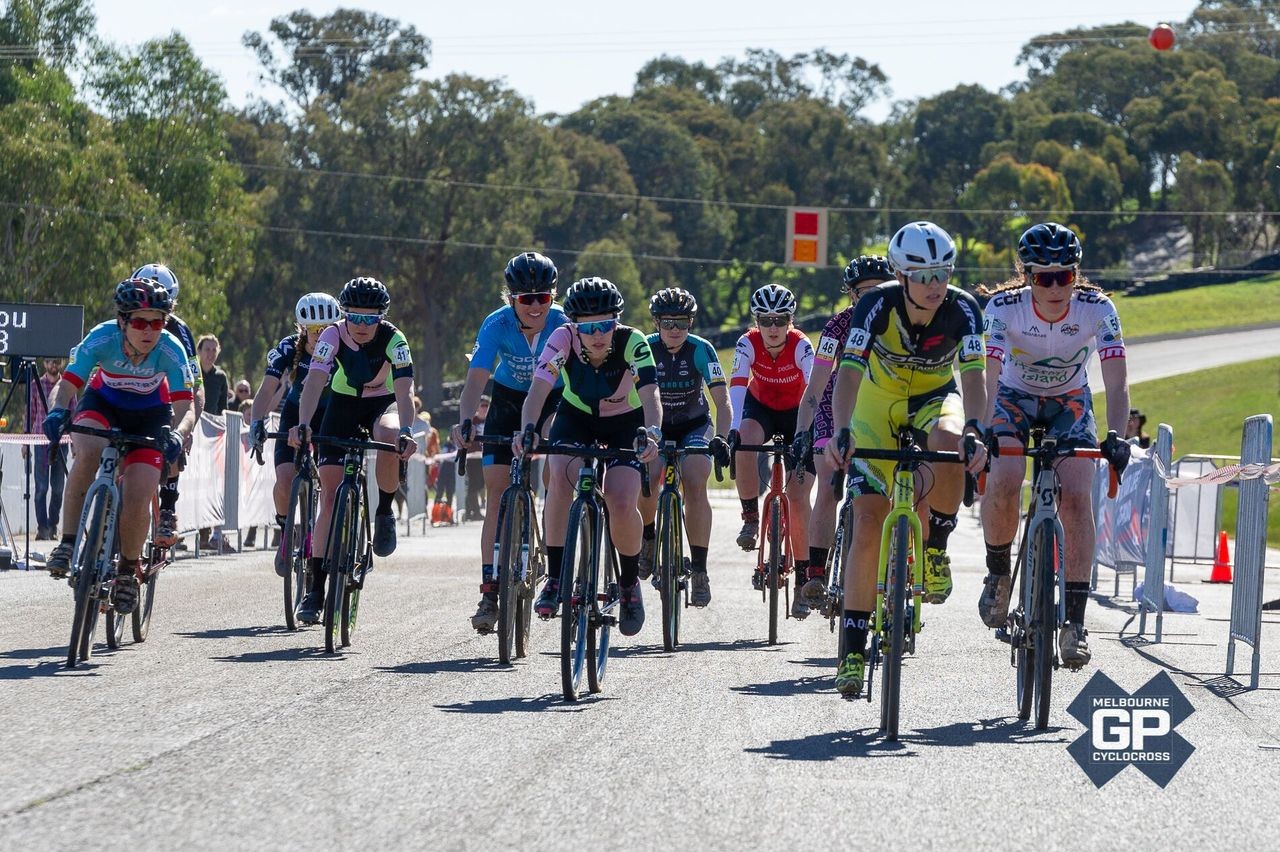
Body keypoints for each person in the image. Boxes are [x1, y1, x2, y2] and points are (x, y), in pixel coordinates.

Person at [825, 221, 988, 697]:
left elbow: (975, 379)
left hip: (936, 398)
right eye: (923, 276)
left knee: (951, 440)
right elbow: (849, 376)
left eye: (942, 273)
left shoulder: (963, 309)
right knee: (869, 520)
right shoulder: (876, 305)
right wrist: (842, 430)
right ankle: (852, 649)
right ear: (900, 274)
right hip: (877, 404)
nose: (935, 285)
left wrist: (976, 430)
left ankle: (936, 546)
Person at [977, 222, 1131, 670]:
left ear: (1076, 274)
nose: (1056, 286)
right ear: (1027, 277)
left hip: (1069, 401)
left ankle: (1076, 623)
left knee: (1078, 499)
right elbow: (987, 375)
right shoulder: (1003, 307)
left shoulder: (1097, 307)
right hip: (1012, 398)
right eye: (1044, 277)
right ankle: (1000, 572)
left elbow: (1118, 382)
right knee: (1005, 479)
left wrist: (1116, 436)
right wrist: (984, 427)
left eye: (1065, 275)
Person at [515, 277, 661, 638]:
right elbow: (538, 390)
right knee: (560, 482)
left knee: (622, 500)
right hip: (576, 418)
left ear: (617, 322)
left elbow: (650, 394)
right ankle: (555, 577)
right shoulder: (561, 338)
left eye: (606, 325)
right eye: (589, 328)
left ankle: (628, 585)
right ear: (574, 327)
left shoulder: (633, 341)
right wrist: (528, 428)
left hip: (625, 423)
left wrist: (653, 432)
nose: (598, 335)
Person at [42, 279, 195, 613]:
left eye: (157, 322)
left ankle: (126, 572)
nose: (149, 330)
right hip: (104, 403)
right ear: (123, 321)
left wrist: (178, 434)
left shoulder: (170, 348)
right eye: (140, 321)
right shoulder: (101, 337)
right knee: (88, 451)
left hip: (150, 414)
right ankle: (67, 543)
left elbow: (186, 406)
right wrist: (57, 410)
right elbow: (67, 385)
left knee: (139, 493)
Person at [451, 251, 569, 634]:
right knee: (498, 496)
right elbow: (475, 380)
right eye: (526, 299)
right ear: (511, 298)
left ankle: (554, 538)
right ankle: (489, 590)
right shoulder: (496, 324)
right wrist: (466, 421)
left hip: (554, 398)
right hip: (507, 399)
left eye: (543, 298)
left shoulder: (563, 323)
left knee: (556, 465)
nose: (535, 306)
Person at [289, 277, 416, 624]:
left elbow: (404, 392)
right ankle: (315, 588)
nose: (361, 326)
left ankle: (385, 511)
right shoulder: (331, 335)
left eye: (370, 319)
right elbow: (314, 382)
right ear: (344, 315)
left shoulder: (394, 339)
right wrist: (304, 424)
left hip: (382, 403)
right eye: (354, 318)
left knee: (388, 434)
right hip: (343, 405)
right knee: (329, 496)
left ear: (381, 317)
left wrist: (406, 430)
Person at [792, 256, 894, 609]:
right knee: (829, 480)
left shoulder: (899, 322)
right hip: (836, 408)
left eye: (878, 291)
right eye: (863, 293)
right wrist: (802, 432)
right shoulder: (837, 327)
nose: (870, 300)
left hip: (882, 410)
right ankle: (816, 571)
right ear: (851, 295)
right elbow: (817, 385)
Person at [636, 288, 733, 607]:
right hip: (657, 426)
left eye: (682, 322)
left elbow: (722, 400)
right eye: (667, 322)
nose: (675, 329)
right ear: (656, 323)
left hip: (694, 424)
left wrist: (722, 435)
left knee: (695, 479)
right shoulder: (645, 349)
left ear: (691, 323)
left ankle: (701, 570)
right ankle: (648, 536)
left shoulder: (701, 349)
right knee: (647, 478)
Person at [727, 283, 816, 616]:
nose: (774, 327)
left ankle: (806, 578)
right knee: (745, 441)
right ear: (757, 322)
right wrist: (734, 430)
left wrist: (806, 434)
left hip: (797, 414)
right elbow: (737, 386)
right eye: (766, 320)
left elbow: (812, 389)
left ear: (791, 320)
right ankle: (751, 517)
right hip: (760, 407)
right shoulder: (746, 343)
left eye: (781, 319)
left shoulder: (801, 345)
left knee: (797, 497)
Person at [249, 292, 343, 576]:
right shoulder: (290, 348)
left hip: (330, 415)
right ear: (303, 329)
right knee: (285, 479)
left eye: (326, 329)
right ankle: (287, 529)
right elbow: (266, 390)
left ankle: (322, 537)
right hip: (295, 413)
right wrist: (257, 421)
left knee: (329, 485)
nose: (320, 336)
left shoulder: (343, 348)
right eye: (314, 330)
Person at [132, 263, 204, 548]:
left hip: (164, 395)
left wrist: (186, 427)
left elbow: (194, 385)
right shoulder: (123, 322)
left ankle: (167, 509)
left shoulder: (179, 332)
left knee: (171, 429)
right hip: (128, 394)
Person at [22, 358, 67, 540]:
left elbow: (73, 412)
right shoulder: (35, 385)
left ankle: (53, 525)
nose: (53, 365)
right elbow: (30, 414)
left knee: (57, 488)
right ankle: (42, 528)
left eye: (56, 362)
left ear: (62, 363)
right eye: (49, 362)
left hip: (62, 442)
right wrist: (25, 441)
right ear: (44, 364)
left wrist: (75, 444)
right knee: (41, 487)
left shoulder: (67, 386)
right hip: (41, 441)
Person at [463, 394, 490, 522]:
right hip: (473, 458)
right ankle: (473, 511)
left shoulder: (491, 420)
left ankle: (472, 510)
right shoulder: (473, 421)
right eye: (482, 405)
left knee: (482, 484)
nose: (484, 408)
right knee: (473, 485)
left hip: (486, 457)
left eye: (486, 405)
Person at [198, 335, 230, 417]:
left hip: (212, 425)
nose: (211, 353)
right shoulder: (191, 372)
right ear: (199, 351)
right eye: (207, 349)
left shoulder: (221, 376)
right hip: (193, 422)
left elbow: (223, 407)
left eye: (214, 350)